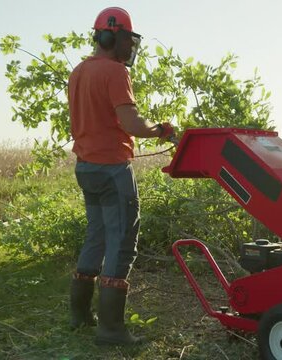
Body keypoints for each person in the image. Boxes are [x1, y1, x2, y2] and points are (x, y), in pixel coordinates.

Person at [67, 6, 175, 345]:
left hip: (85, 167)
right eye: (128, 39)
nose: (130, 47)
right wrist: (161, 130)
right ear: (112, 36)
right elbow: (131, 125)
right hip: (112, 170)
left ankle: (80, 314)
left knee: (96, 237)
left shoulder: (79, 72)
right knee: (121, 245)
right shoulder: (115, 72)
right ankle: (111, 330)